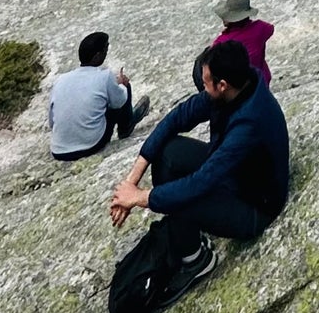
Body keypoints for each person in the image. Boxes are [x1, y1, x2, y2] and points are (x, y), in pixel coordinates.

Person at [111, 37, 289, 288]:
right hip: (234, 174)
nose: (203, 89)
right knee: (167, 153)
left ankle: (197, 261)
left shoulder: (249, 123)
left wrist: (139, 198)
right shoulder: (239, 83)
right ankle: (188, 237)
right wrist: (132, 180)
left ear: (223, 85)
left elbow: (201, 182)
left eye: (206, 84)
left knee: (179, 195)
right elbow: (176, 118)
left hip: (254, 205)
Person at [51, 31, 148, 158]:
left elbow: (52, 122)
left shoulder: (61, 80)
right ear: (97, 56)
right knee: (123, 87)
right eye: (105, 49)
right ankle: (126, 127)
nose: (106, 52)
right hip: (90, 145)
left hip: (59, 151)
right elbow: (120, 101)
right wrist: (120, 83)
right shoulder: (105, 76)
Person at [210, 0, 274, 88]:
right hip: (262, 82)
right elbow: (270, 29)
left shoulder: (221, 42)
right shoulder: (260, 28)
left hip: (239, 89)